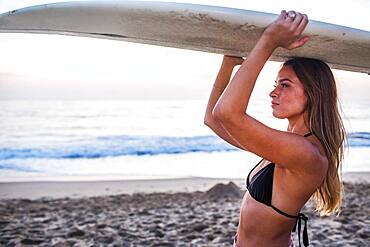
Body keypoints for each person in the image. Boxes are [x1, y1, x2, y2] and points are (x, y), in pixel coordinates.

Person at [204, 10, 346, 247]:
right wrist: (229, 63)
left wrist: (269, 41)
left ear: (313, 93)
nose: (273, 92)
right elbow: (213, 119)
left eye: (285, 85)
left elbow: (226, 113)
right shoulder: (286, 145)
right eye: (276, 84)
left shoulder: (305, 153)